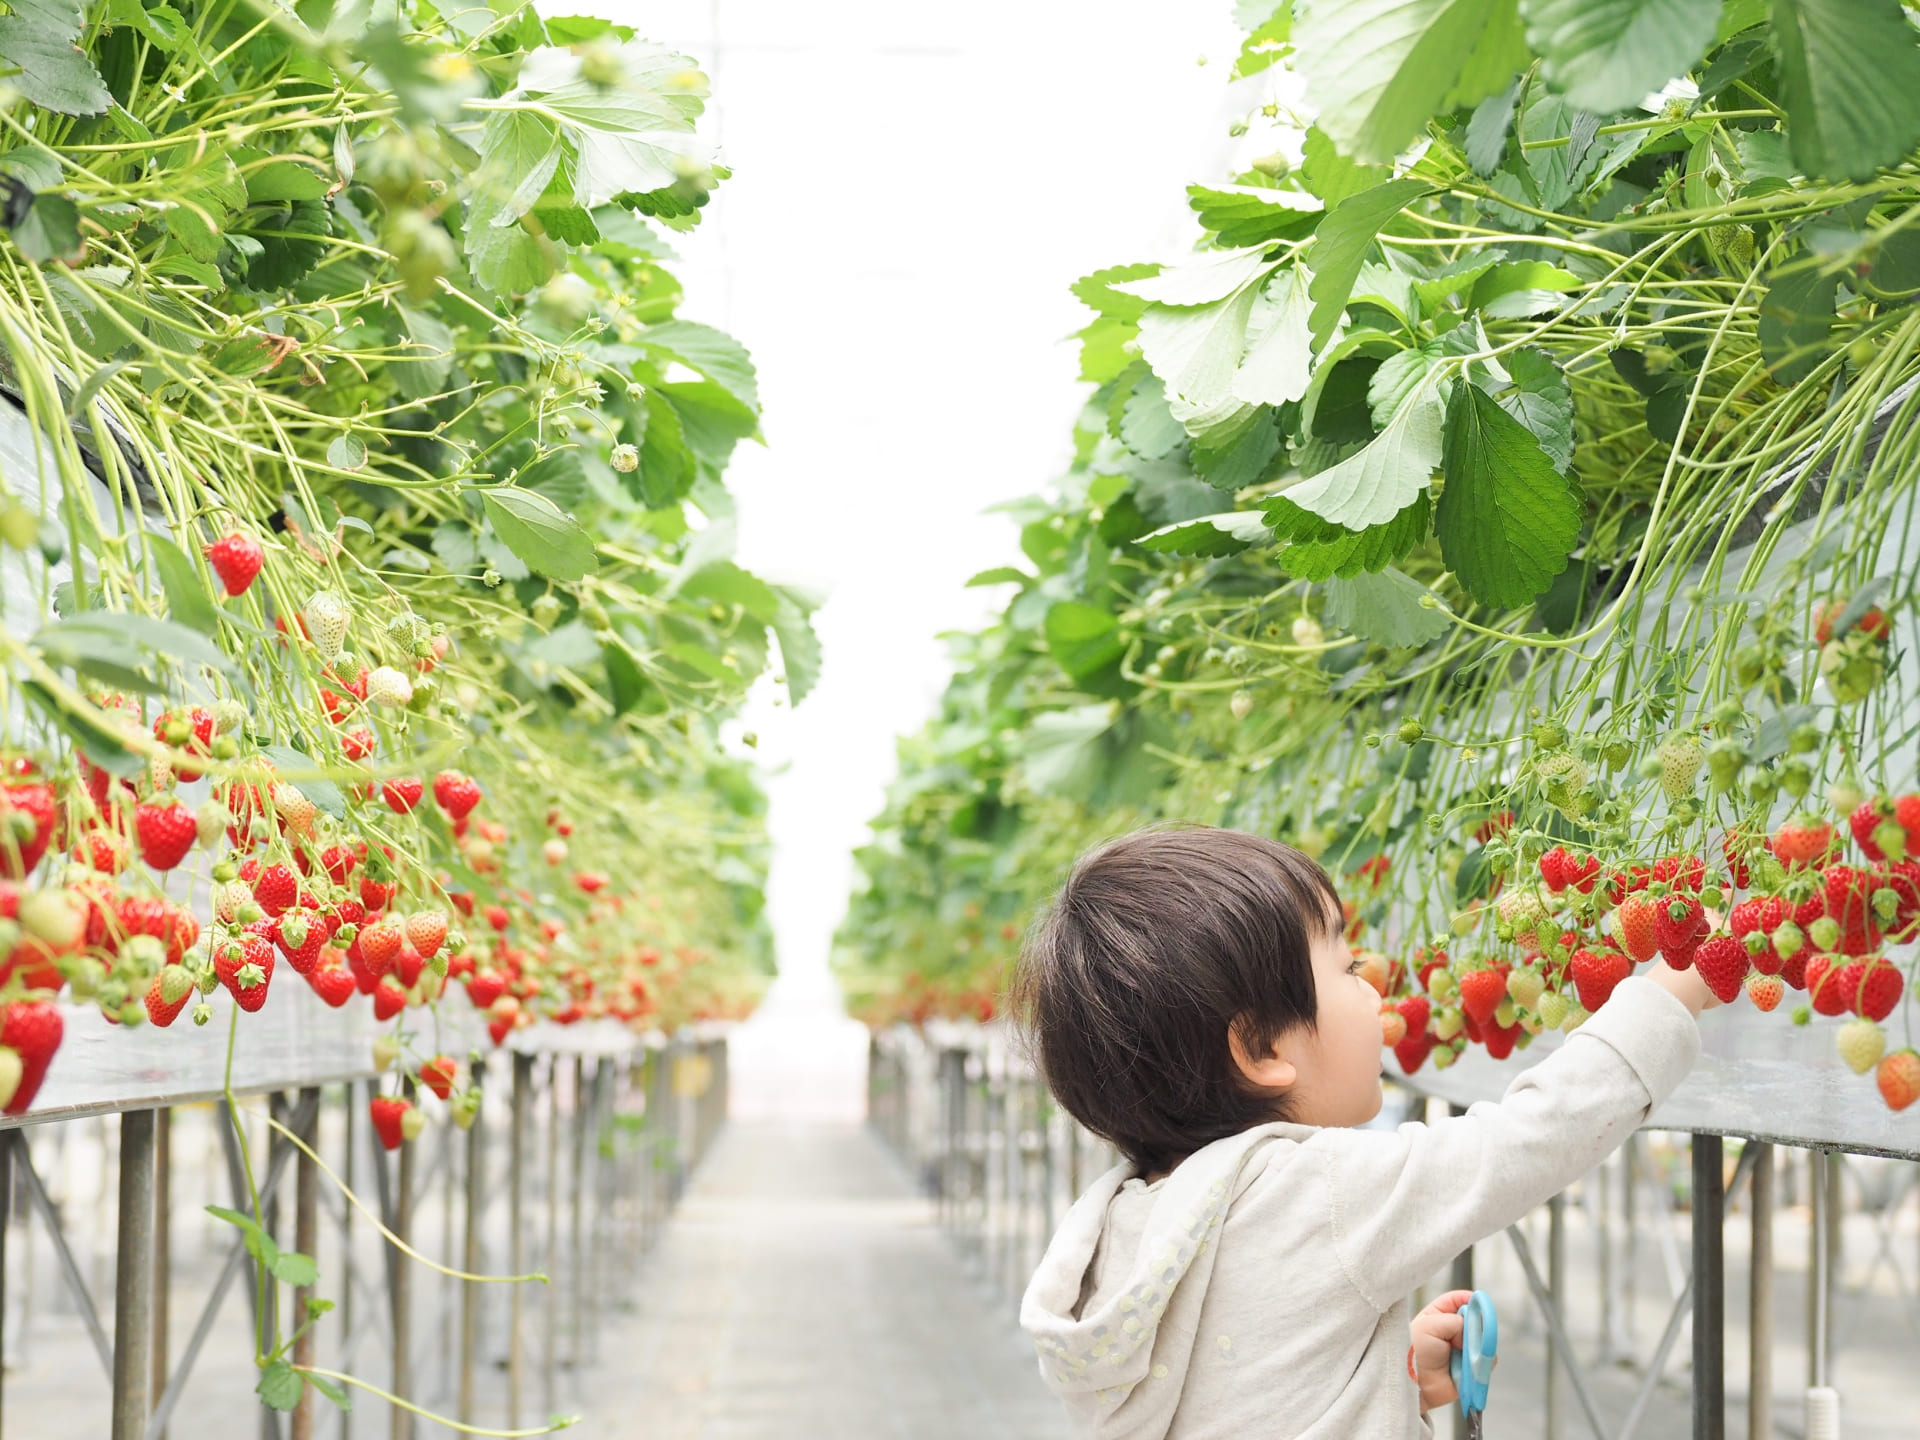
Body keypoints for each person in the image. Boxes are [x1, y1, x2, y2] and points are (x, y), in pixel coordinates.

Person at [1014, 825, 1713, 1439]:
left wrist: (1379, 1373)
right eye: (1347, 969)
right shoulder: (1313, 1189)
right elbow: (1528, 1140)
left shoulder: (1122, 1235)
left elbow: (1233, 1391)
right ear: (1261, 1051)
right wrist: (1667, 996)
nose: (1374, 989)